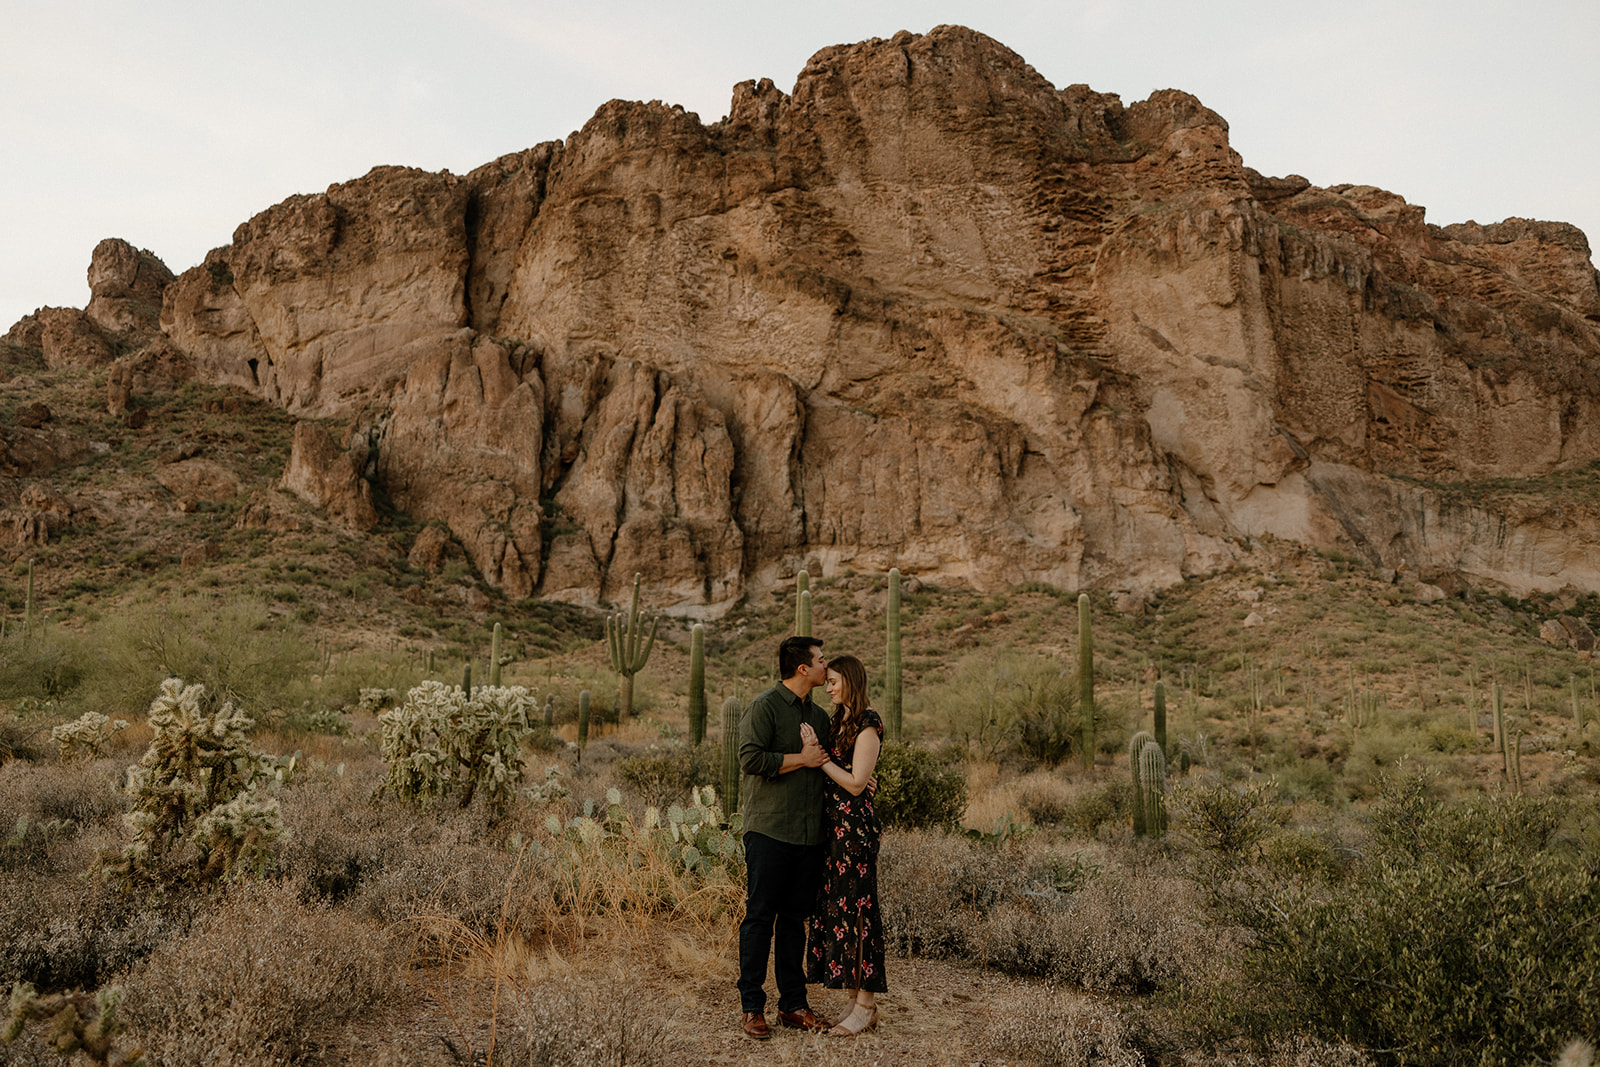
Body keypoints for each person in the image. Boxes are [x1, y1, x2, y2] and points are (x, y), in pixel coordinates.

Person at [735, 635, 834, 1039]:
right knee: (760, 918)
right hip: (770, 830)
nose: (827, 666)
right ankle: (752, 1007)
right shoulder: (765, 707)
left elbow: (829, 767)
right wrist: (802, 759)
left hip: (810, 835)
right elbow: (750, 758)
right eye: (821, 660)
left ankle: (793, 1004)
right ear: (803, 669)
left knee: (795, 921)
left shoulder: (822, 718)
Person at [801, 653, 886, 1036]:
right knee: (842, 911)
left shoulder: (868, 723)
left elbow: (854, 784)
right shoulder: (842, 721)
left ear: (851, 681)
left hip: (854, 833)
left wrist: (819, 760)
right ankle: (856, 1001)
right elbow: (856, 777)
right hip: (836, 830)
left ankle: (866, 1005)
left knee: (860, 912)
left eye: (835, 681)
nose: (830, 686)